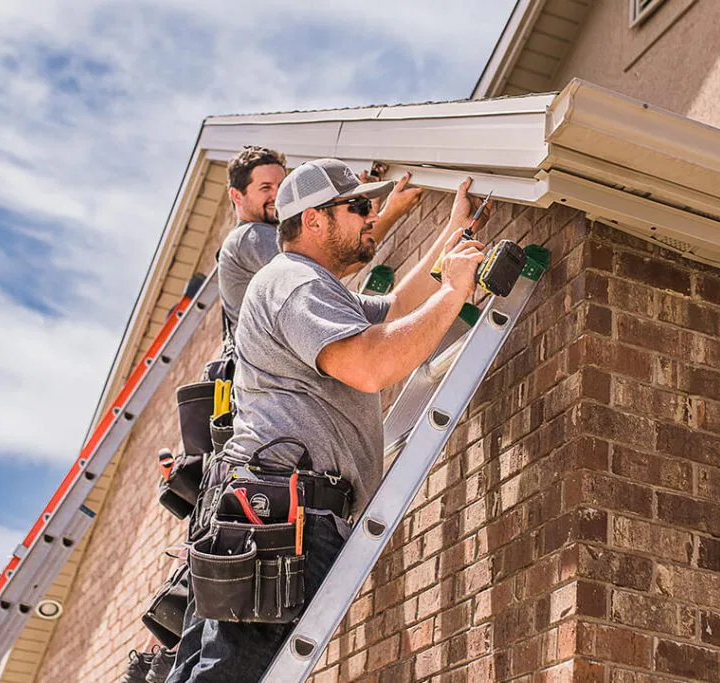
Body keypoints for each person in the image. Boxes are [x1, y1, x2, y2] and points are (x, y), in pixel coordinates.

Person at [166, 158, 488, 682]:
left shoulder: (315, 289)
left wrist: (454, 233)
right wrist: (455, 292)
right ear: (313, 220)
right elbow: (370, 363)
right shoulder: (293, 282)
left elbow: (398, 308)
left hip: (272, 517)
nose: (371, 216)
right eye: (358, 206)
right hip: (283, 522)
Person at [218, 146, 422, 329]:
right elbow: (327, 266)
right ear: (237, 196)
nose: (277, 194)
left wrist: (357, 212)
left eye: (281, 186)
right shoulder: (251, 236)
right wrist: (391, 212)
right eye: (265, 188)